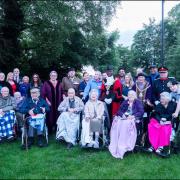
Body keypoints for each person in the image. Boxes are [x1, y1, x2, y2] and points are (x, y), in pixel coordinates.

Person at [109, 90, 144, 159]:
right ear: (127, 96)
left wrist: (133, 116)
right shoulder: (125, 102)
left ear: (135, 96)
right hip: (124, 118)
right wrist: (122, 115)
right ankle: (117, 143)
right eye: (129, 95)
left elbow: (141, 112)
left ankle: (125, 144)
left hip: (132, 119)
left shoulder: (138, 102)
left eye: (132, 95)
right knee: (118, 123)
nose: (130, 96)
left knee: (125, 124)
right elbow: (119, 110)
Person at [147, 92, 177, 157]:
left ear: (168, 99)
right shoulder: (159, 105)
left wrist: (166, 120)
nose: (161, 100)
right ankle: (153, 145)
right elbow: (156, 114)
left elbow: (172, 115)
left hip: (169, 122)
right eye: (161, 99)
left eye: (163, 99)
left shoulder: (173, 104)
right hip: (159, 121)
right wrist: (160, 120)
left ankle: (160, 147)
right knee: (153, 127)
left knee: (164, 128)